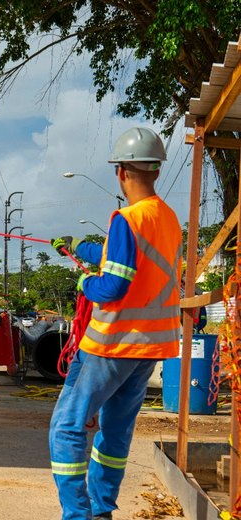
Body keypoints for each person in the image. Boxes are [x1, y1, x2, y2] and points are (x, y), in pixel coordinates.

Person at [49, 127, 182, 520]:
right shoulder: (167, 220)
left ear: (121, 172)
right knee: (114, 432)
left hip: (112, 346)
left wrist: (83, 281)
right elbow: (114, 252)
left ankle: (78, 515)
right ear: (156, 171)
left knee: (66, 429)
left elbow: (111, 287)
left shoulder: (127, 219)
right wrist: (74, 247)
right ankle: (102, 509)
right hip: (149, 351)